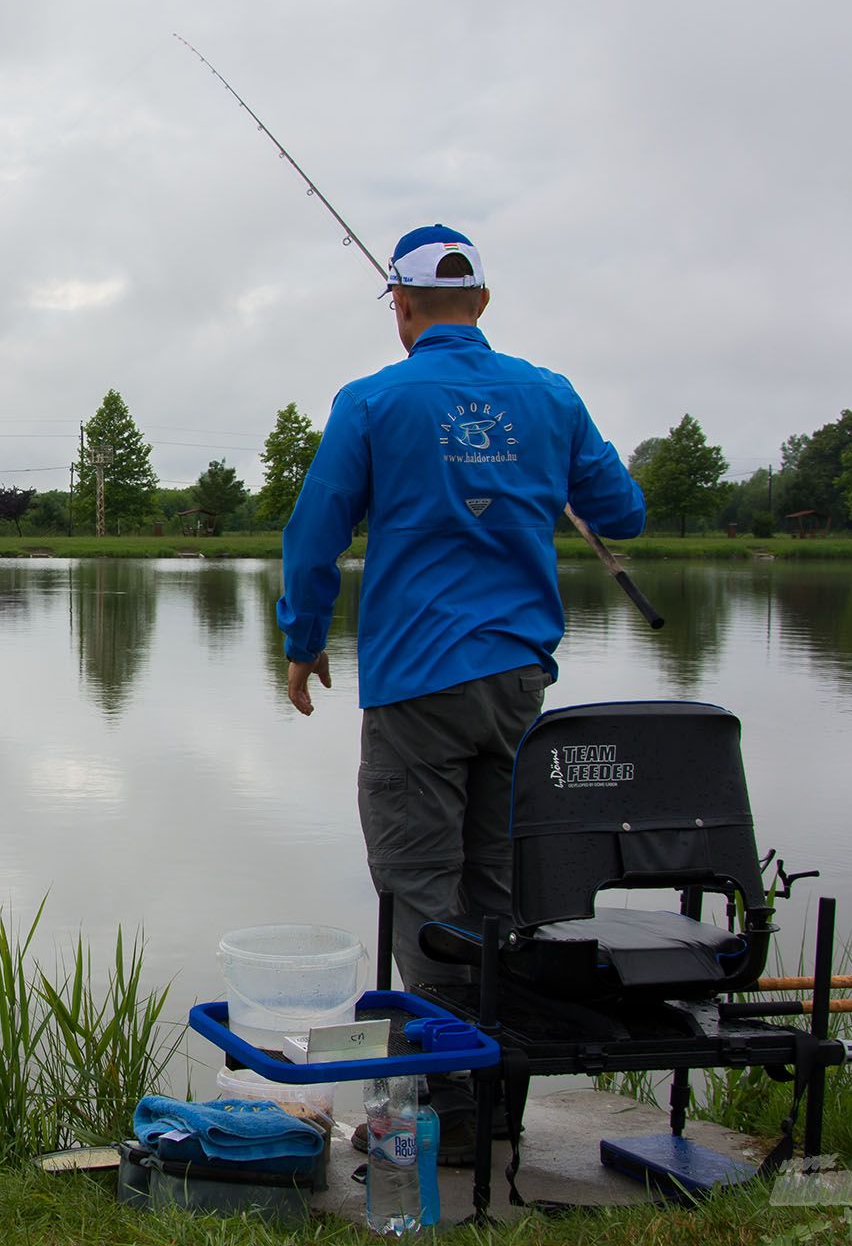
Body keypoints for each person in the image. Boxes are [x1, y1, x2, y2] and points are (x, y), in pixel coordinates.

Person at [275, 224, 645, 1159]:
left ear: (401, 309)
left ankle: (451, 1115)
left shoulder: (371, 401)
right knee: (499, 892)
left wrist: (305, 640)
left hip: (415, 686)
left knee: (420, 891)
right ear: (481, 302)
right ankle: (498, 1098)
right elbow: (626, 513)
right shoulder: (550, 396)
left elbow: (316, 531)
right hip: (522, 685)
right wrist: (542, 474)